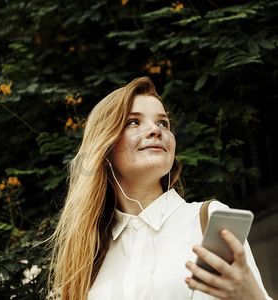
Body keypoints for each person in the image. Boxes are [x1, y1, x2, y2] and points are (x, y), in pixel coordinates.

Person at [49, 77, 272, 300]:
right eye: (134, 122)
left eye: (163, 123)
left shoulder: (208, 221)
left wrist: (252, 297)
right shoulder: (88, 255)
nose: (155, 130)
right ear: (105, 149)